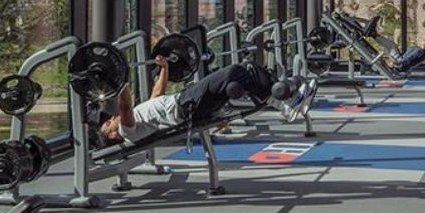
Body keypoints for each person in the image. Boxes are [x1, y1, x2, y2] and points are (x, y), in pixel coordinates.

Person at [97, 57, 315, 147]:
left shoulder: (137, 119)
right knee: (236, 70)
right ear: (113, 134)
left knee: (245, 72)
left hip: (188, 103)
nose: (112, 117)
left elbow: (156, 95)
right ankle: (282, 102)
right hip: (187, 106)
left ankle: (284, 101)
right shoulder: (127, 131)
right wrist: (116, 80)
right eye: (108, 123)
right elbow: (125, 104)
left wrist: (165, 68)